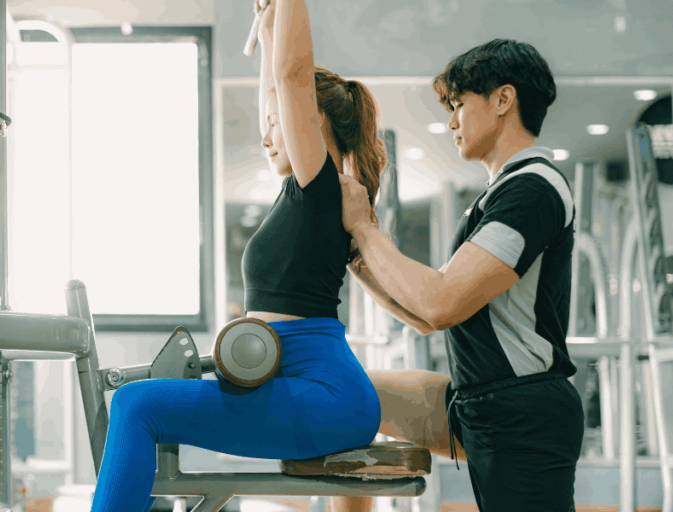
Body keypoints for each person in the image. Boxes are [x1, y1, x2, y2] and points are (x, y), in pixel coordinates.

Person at [87, 0, 389, 510]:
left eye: (280, 123)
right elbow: (279, 83)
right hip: (305, 387)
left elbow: (292, 76)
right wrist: (270, 23)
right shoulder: (300, 196)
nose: (268, 134)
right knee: (138, 404)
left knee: (137, 406)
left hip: (324, 396)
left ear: (312, 124)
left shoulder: (319, 188)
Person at [333, 39, 584, 512]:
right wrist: (357, 257)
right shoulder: (496, 197)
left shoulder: (533, 189)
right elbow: (425, 314)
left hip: (521, 411)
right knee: (346, 397)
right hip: (477, 404)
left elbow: (442, 303)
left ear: (503, 99)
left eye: (459, 104)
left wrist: (365, 228)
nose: (451, 121)